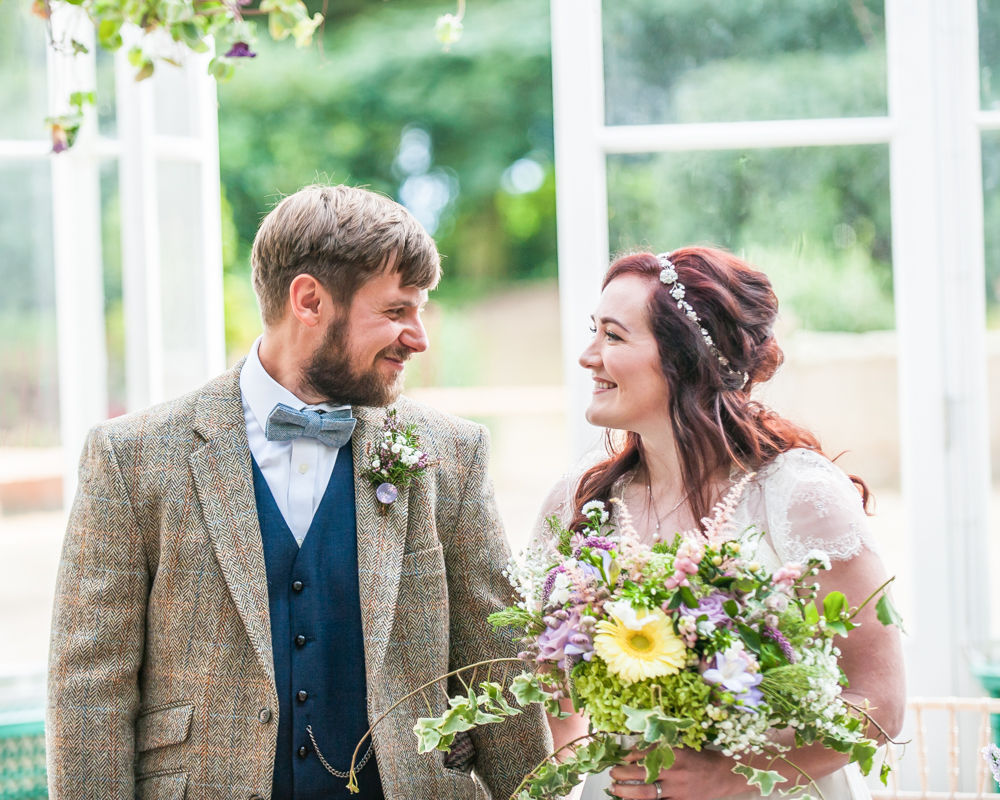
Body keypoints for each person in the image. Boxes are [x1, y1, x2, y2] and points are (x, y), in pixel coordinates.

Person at [46, 184, 550, 800]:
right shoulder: (134, 459)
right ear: (309, 300)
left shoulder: (451, 454)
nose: (418, 338)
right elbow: (89, 691)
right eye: (396, 311)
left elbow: (495, 662)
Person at [540, 247, 905, 800]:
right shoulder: (578, 503)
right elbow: (549, 688)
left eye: (613, 337)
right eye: (595, 332)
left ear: (685, 358)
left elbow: (881, 701)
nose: (589, 356)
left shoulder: (798, 495)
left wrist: (732, 771)